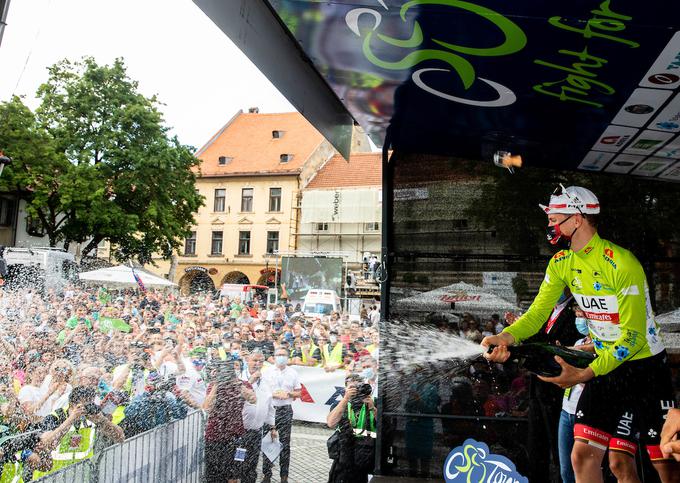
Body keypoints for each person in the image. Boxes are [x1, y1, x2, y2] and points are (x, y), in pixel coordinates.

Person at [482, 185, 679, 483]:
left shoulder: (621, 262)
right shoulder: (562, 263)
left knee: (663, 464)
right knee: (582, 455)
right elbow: (537, 315)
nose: (549, 224)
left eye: (554, 217)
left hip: (645, 369)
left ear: (576, 219)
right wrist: (506, 338)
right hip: (605, 367)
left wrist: (583, 374)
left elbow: (633, 338)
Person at [203, 359, 256, 483]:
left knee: (235, 475)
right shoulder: (213, 385)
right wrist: (217, 384)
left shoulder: (243, 384)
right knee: (214, 476)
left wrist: (237, 383)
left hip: (237, 437)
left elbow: (253, 399)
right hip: (214, 436)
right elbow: (206, 408)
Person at [326, 373, 377, 483]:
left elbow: (384, 426)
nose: (356, 390)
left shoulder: (371, 403)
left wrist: (372, 408)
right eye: (352, 388)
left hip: (364, 453)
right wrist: (345, 399)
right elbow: (331, 423)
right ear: (345, 388)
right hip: (344, 454)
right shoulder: (339, 405)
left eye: (358, 387)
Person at [261, 348, 301, 483]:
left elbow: (299, 392)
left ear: (287, 357)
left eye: (283, 355)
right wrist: (273, 394)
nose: (281, 357)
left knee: (285, 444)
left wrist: (288, 394)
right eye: (278, 355)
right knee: (267, 441)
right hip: (270, 409)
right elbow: (262, 391)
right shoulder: (267, 372)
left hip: (285, 410)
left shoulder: (293, 372)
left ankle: (284, 476)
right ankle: (267, 474)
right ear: (274, 356)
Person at [241, 350, 275, 483]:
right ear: (247, 360)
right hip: (240, 432)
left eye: (261, 361)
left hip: (256, 431)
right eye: (255, 360)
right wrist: (251, 380)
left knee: (252, 464)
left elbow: (270, 406)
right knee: (239, 462)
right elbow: (238, 398)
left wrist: (272, 427)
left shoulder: (266, 381)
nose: (258, 364)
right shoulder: (240, 378)